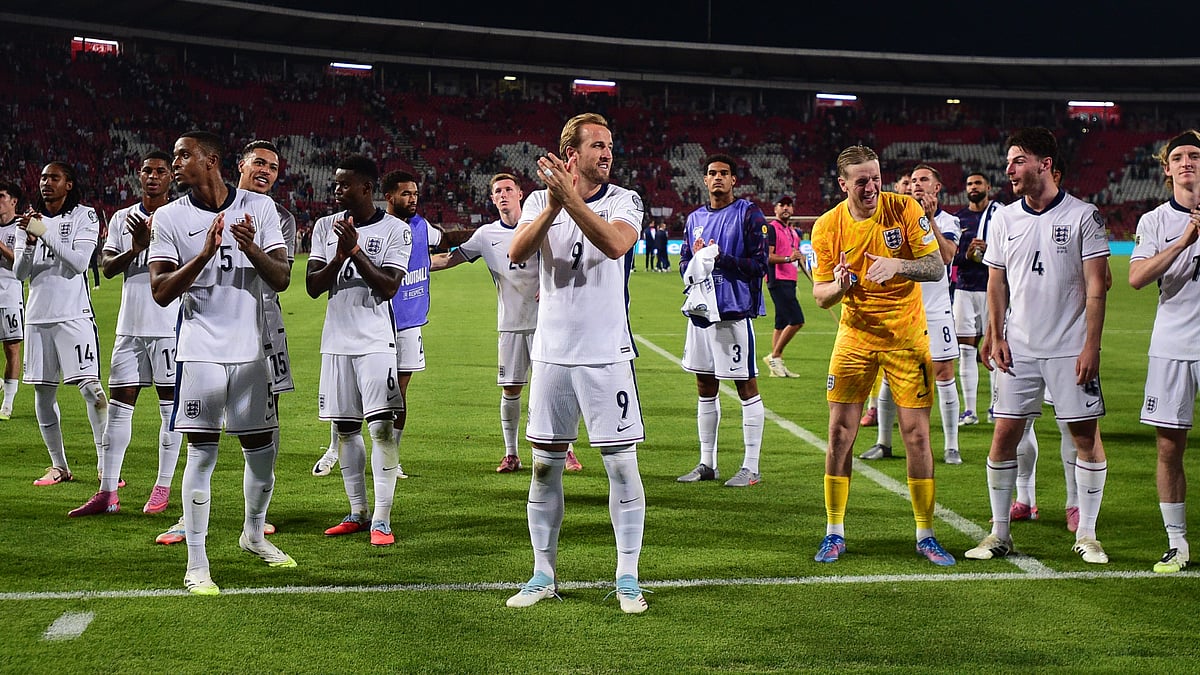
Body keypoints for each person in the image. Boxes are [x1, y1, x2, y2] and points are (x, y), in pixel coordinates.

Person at [504, 112, 648, 613]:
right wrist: (552, 204)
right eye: (598, 145)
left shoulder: (625, 200)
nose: (608, 153)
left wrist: (571, 201)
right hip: (551, 355)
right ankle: (543, 574)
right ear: (572, 154)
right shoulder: (538, 201)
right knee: (544, 469)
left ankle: (627, 577)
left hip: (606, 355)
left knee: (621, 466)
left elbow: (615, 244)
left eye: (610, 145)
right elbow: (517, 252)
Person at [148, 130, 295, 595]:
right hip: (200, 352)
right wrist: (204, 255)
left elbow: (282, 278)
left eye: (183, 155)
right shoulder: (169, 216)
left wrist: (251, 248)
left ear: (210, 160)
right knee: (202, 453)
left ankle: (254, 534)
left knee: (262, 454)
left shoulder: (260, 208)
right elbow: (160, 291)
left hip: (252, 352)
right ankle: (197, 563)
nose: (175, 163)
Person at [965, 127, 1110, 565]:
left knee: (1084, 436)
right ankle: (999, 533)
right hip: (1019, 347)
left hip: (1070, 347)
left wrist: (1092, 346)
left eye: (1018, 161)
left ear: (1045, 164)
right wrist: (995, 335)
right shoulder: (1005, 217)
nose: (1009, 169)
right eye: (1008, 162)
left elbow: (1097, 286)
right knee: (1004, 434)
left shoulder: (1084, 215)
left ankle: (1087, 534)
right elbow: (995, 281)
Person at [810, 145, 955, 567]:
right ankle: (834, 531)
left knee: (917, 436)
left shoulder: (904, 209)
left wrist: (897, 266)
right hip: (855, 338)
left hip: (907, 338)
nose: (872, 186)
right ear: (843, 184)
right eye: (862, 181)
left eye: (876, 177)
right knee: (840, 433)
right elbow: (820, 295)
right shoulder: (826, 226)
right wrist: (841, 286)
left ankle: (925, 534)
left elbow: (935, 266)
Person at [68, 150, 182, 517]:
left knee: (170, 412)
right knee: (118, 411)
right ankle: (107, 492)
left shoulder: (181, 216)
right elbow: (107, 266)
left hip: (169, 327)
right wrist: (136, 247)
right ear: (139, 175)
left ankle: (162, 487)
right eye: (147, 170)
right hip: (129, 327)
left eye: (160, 171)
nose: (153, 176)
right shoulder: (122, 218)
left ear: (171, 177)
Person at [307, 155, 410, 547]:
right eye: (335, 184)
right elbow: (313, 286)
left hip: (375, 343)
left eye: (344, 184)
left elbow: (388, 287)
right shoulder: (324, 227)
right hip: (336, 343)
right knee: (346, 429)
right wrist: (339, 255)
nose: (337, 190)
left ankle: (382, 519)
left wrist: (355, 251)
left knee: (381, 428)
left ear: (366, 188)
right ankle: (357, 511)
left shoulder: (396, 230)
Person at [431, 173, 547, 473]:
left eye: (509, 189)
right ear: (493, 199)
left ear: (520, 194)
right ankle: (511, 454)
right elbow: (451, 259)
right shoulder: (486, 235)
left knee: (551, 388)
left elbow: (562, 264)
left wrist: (551, 286)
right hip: (510, 323)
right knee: (511, 389)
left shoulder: (540, 226)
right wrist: (409, 263)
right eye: (498, 191)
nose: (504, 194)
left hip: (546, 323)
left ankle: (566, 450)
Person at [1129, 130, 1200, 574]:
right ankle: (1177, 544)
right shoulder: (1155, 220)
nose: (1187, 162)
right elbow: (1137, 278)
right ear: (1167, 169)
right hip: (1173, 346)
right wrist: (1184, 240)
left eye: (1195, 155)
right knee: (1169, 448)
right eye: (1178, 157)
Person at [13, 162, 109, 487]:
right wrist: (29, 242)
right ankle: (59, 466)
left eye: (54, 177)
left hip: (74, 316)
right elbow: (20, 273)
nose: (46, 182)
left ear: (69, 184)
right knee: (43, 395)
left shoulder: (85, 215)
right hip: (38, 318)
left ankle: (106, 465)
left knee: (93, 391)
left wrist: (44, 233)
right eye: (43, 177)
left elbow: (80, 263)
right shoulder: (28, 221)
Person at [676, 154, 768, 487]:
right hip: (701, 313)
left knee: (745, 385)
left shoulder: (748, 214)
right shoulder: (694, 219)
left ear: (733, 180)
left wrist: (720, 259)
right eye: (712, 173)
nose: (718, 178)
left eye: (724, 173)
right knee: (704, 386)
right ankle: (707, 464)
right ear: (704, 180)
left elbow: (760, 265)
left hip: (733, 311)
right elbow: (684, 261)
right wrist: (695, 263)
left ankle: (751, 467)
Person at [861, 164, 963, 465]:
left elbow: (946, 256)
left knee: (943, 374)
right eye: (913, 180)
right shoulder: (897, 219)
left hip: (935, 311)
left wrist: (928, 220)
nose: (916, 184)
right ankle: (884, 442)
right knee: (889, 377)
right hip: (902, 310)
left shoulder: (949, 221)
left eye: (924, 180)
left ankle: (952, 446)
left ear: (937, 187)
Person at [860, 170, 916, 427]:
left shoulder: (916, 219)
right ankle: (874, 408)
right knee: (878, 357)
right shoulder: (882, 217)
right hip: (882, 301)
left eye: (914, 183)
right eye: (906, 183)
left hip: (920, 303)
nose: (911, 187)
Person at [952, 172, 1000, 426]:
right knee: (966, 350)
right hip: (965, 290)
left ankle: (995, 406)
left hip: (994, 290)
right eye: (969, 183)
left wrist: (989, 253)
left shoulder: (1000, 216)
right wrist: (968, 255)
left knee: (995, 348)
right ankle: (969, 410)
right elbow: (951, 257)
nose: (973, 187)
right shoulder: (958, 219)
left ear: (988, 187)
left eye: (978, 183)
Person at [762, 195, 805, 379]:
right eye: (782, 205)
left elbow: (796, 254)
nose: (786, 208)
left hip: (790, 279)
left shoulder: (793, 232)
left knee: (780, 322)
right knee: (797, 320)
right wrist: (789, 258)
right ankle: (775, 356)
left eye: (789, 205)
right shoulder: (771, 228)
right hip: (777, 279)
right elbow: (768, 256)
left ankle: (776, 365)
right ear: (776, 209)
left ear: (793, 209)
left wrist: (800, 258)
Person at [0, 179, 26, 420]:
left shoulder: (21, 227)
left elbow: (20, 263)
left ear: (13, 201)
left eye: (1, 196)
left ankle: (7, 403)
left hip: (9, 295)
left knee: (11, 348)